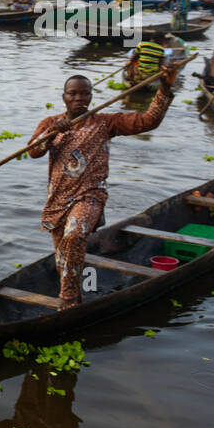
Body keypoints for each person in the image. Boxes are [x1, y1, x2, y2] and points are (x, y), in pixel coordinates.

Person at [25, 65, 179, 308]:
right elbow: (33, 151)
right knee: (63, 258)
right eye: (72, 94)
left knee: (74, 235)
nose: (78, 98)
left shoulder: (105, 123)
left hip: (90, 195)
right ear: (64, 97)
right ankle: (76, 299)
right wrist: (54, 132)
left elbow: (148, 121)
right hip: (58, 200)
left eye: (84, 93)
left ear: (91, 96)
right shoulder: (51, 123)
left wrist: (165, 87)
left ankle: (66, 300)